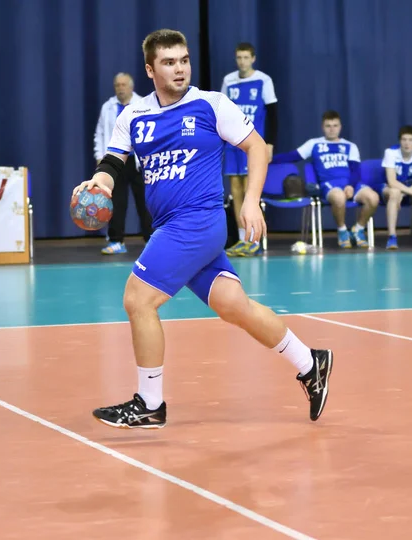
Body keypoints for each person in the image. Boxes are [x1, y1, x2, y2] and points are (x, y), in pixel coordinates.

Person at [73, 29, 333, 429]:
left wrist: (250, 201)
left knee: (138, 300)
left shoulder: (211, 105)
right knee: (235, 307)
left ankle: (149, 403)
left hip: (197, 221)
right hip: (172, 226)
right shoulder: (134, 115)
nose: (179, 69)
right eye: (168, 62)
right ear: (150, 69)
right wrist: (98, 186)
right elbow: (111, 165)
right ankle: (309, 363)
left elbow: (257, 147)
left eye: (184, 60)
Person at [272, 111, 379, 248]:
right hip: (329, 185)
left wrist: (351, 186)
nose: (332, 129)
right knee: (339, 198)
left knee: (373, 198)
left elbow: (355, 170)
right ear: (323, 127)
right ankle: (342, 231)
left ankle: (358, 229)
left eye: (335, 125)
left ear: (340, 127)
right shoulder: (314, 144)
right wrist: (268, 159)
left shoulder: (350, 146)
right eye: (328, 126)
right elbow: (292, 156)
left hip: (350, 184)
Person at [221, 43, 278, 257]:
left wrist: (270, 144)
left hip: (252, 143)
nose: (242, 61)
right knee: (235, 191)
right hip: (232, 144)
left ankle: (253, 239)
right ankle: (242, 238)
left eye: (246, 57)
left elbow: (273, 114)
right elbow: (222, 112)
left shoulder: (263, 80)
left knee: (249, 191)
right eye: (238, 57)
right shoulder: (229, 80)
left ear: (253, 58)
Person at [94, 73, 153, 254]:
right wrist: (100, 157)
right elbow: (100, 133)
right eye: (117, 85)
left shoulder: (144, 104)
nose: (120, 88)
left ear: (131, 87)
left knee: (145, 202)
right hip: (117, 160)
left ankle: (150, 240)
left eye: (123, 85)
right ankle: (116, 241)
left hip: (138, 161)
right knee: (116, 202)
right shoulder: (108, 107)